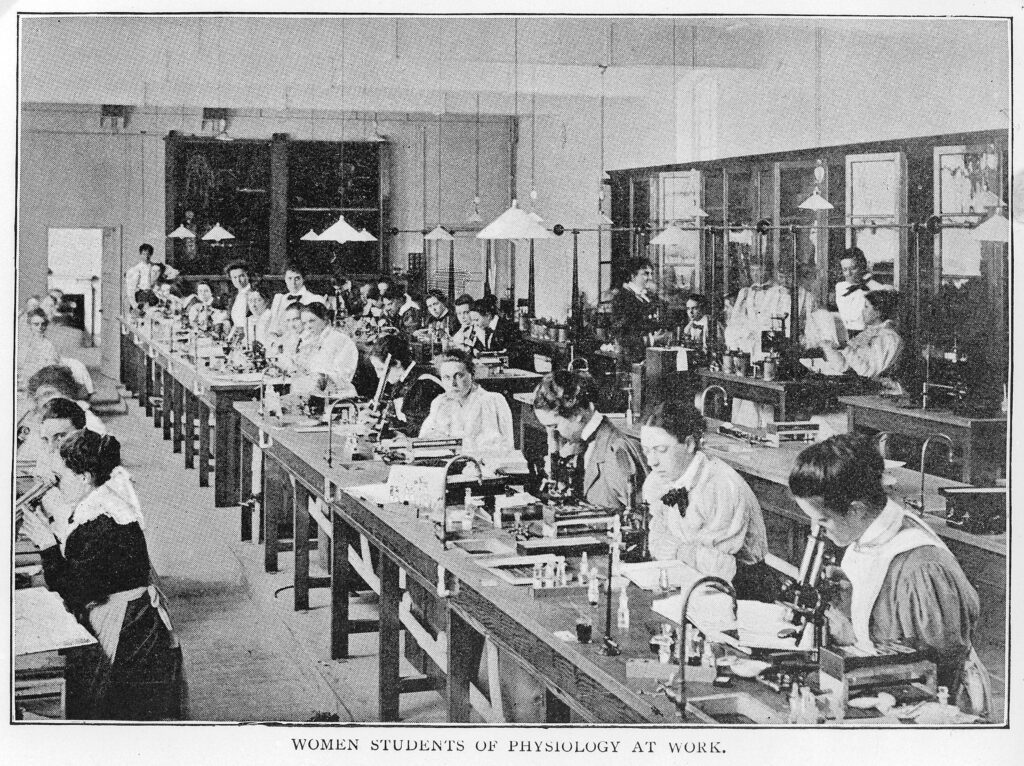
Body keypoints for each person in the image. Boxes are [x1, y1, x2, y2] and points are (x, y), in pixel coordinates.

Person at [788, 433, 988, 713]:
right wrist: (849, 613)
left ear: (856, 509)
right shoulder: (870, 533)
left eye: (823, 520)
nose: (819, 530)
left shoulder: (922, 568)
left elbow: (936, 671)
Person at [19, 430, 184, 720]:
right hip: (129, 617)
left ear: (84, 477)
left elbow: (74, 591)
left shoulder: (100, 522)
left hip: (127, 627)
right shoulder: (103, 504)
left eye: (61, 477)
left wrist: (48, 548)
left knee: (111, 707)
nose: (56, 486)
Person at [640, 399, 773, 600]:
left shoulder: (720, 485)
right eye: (646, 451)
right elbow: (656, 543)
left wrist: (679, 551)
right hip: (691, 581)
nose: (652, 462)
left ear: (689, 444)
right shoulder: (660, 480)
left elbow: (721, 569)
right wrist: (681, 552)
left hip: (742, 591)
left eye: (661, 450)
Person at [532, 370, 647, 511]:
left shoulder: (616, 451)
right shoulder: (579, 444)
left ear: (577, 414)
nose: (552, 435)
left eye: (554, 426)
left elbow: (641, 516)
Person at [419, 349, 515, 453]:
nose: (453, 384)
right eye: (447, 377)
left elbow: (500, 447)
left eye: (459, 376)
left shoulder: (490, 401)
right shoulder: (440, 403)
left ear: (472, 375)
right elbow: (424, 440)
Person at [366, 333, 445, 437]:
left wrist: (384, 427)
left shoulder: (423, 384)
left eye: (380, 369)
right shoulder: (401, 379)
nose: (378, 375)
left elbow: (417, 431)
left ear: (397, 363)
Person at [817, 289, 904, 379]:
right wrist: (828, 346)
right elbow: (843, 366)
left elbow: (868, 373)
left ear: (877, 313)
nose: (862, 311)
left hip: (877, 389)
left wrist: (846, 349)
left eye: (866, 307)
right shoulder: (868, 333)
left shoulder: (888, 338)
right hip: (862, 384)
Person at [290, 301, 358, 399]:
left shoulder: (341, 340)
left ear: (325, 319)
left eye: (312, 321)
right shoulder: (309, 341)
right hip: (312, 394)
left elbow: (344, 376)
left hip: (338, 397)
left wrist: (320, 377)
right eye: (304, 323)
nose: (308, 326)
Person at [611, 258, 664, 363]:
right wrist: (652, 339)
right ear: (633, 275)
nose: (650, 277)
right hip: (630, 358)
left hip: (650, 355)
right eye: (645, 274)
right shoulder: (622, 298)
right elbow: (621, 336)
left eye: (651, 274)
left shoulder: (648, 296)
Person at [834, 247, 888, 336]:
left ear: (862, 267)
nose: (848, 273)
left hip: (867, 334)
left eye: (853, 268)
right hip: (846, 334)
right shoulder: (841, 287)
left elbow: (887, 291)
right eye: (845, 269)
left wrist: (868, 281)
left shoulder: (871, 286)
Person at [268, 262, 323, 338]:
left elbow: (318, 329)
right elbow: (273, 328)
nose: (293, 283)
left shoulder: (315, 299)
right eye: (289, 278)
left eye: (297, 278)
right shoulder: (279, 299)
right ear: (285, 279)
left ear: (303, 279)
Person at [469, 296, 522, 362]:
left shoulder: (507, 328)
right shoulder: (482, 328)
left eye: (476, 320)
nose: (474, 324)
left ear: (488, 316)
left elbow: (513, 356)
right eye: (472, 320)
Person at [18, 308, 61, 389]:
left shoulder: (48, 345)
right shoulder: (24, 344)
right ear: (29, 325)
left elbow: (52, 366)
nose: (40, 327)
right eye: (36, 324)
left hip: (43, 379)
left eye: (43, 324)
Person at [224, 260, 253, 333]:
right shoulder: (233, 297)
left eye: (241, 276)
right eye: (234, 277)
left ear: (247, 276)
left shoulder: (255, 293)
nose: (238, 280)